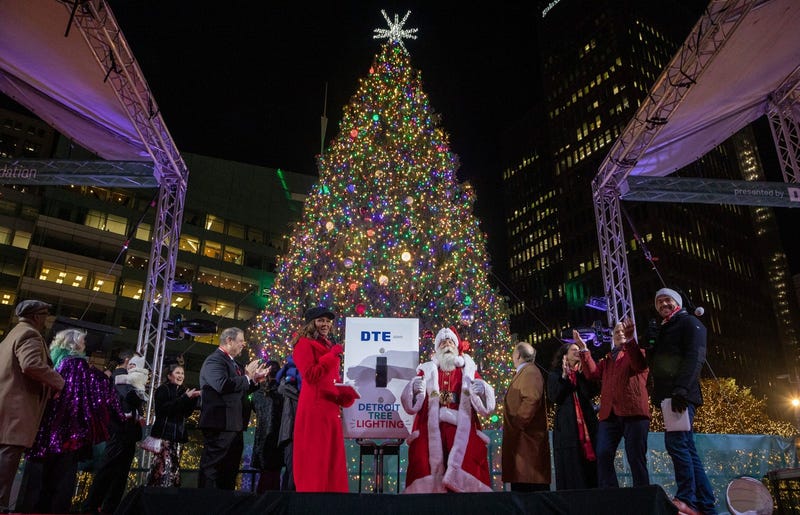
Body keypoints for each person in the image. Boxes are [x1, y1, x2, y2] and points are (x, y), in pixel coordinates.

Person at [20, 328, 123, 514]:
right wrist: (106, 376)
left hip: (50, 428)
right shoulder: (77, 365)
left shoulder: (57, 362)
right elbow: (94, 389)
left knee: (45, 476)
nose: (84, 345)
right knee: (62, 477)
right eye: (82, 341)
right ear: (74, 344)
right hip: (69, 431)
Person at [401, 327, 495, 493]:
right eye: (443, 343)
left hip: (461, 427)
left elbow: (486, 404)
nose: (447, 345)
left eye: (450, 342)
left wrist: (482, 390)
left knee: (469, 457)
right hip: (431, 426)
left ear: (456, 347)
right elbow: (410, 401)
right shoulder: (427, 370)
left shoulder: (468, 370)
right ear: (437, 349)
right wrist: (414, 389)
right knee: (422, 459)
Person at [648, 288, 715, 515]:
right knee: (686, 447)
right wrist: (651, 340)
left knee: (677, 444)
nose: (663, 304)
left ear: (677, 302)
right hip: (669, 396)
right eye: (659, 302)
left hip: (680, 395)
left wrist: (681, 390)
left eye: (667, 300)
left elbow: (695, 356)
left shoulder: (689, 322)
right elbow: (656, 363)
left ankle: (687, 499)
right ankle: (705, 504)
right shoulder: (664, 328)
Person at [0, 300, 65, 513]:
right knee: (7, 461)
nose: (46, 321)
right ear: (37, 316)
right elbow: (30, 364)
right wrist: (59, 382)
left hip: (6, 407)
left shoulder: (12, 334)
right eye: (45, 316)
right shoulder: (31, 334)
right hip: (16, 411)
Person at [577, 320, 650, 489]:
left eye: (623, 332)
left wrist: (630, 341)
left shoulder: (638, 352)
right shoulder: (607, 360)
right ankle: (610, 494)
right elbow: (592, 374)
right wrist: (583, 348)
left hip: (633, 413)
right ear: (612, 337)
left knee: (635, 457)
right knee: (603, 453)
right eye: (617, 332)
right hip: (609, 415)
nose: (620, 334)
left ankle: (642, 496)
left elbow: (639, 364)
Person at [292, 306, 358, 493]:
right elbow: (310, 375)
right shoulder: (303, 344)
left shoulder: (328, 346)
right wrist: (331, 356)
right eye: (321, 320)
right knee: (316, 458)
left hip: (330, 410)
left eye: (328, 321)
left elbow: (328, 379)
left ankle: (332, 499)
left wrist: (343, 395)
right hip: (315, 409)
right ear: (311, 323)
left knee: (332, 459)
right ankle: (314, 498)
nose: (326, 324)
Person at [198, 327, 267, 490]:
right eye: (241, 341)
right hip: (220, 424)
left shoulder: (234, 363)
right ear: (229, 340)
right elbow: (222, 385)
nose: (243, 344)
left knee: (229, 470)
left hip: (235, 425)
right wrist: (247, 377)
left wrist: (254, 380)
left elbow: (240, 389)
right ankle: (205, 501)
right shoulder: (215, 360)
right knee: (213, 468)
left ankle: (225, 502)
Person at [83, 350, 148, 514]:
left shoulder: (128, 378)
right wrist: (139, 386)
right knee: (109, 469)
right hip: (120, 430)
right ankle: (92, 506)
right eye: (135, 362)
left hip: (127, 431)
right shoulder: (120, 376)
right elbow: (131, 398)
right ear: (127, 360)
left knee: (120, 473)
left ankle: (108, 507)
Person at [547, 341, 599, 490]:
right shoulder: (555, 375)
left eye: (578, 350)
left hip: (588, 426)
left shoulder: (583, 374)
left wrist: (584, 372)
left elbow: (593, 390)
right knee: (571, 465)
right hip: (567, 428)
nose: (577, 352)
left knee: (591, 468)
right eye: (573, 350)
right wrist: (565, 378)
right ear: (565, 355)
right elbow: (555, 397)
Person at [501, 342, 551, 492]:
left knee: (529, 492)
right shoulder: (526, 372)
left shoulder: (530, 372)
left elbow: (531, 399)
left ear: (517, 355)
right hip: (523, 445)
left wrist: (517, 425)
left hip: (527, 445)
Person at [146, 363, 201, 487]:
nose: (180, 376)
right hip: (164, 435)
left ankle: (168, 490)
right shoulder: (163, 389)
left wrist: (193, 399)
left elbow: (186, 413)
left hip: (178, 437)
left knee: (173, 467)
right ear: (169, 376)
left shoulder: (183, 391)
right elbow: (164, 409)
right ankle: (158, 489)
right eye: (177, 373)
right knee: (164, 466)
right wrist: (185, 398)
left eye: (182, 373)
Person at [251, 360, 284, 492]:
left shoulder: (258, 391)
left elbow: (255, 408)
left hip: (262, 438)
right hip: (277, 438)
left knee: (265, 477)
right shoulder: (282, 391)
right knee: (274, 477)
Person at [275, 356, 300, 491]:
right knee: (293, 471)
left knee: (293, 471)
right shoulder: (288, 381)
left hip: (297, 431)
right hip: (291, 432)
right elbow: (282, 388)